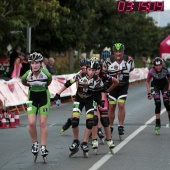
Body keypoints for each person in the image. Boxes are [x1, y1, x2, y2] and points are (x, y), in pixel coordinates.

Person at [54, 60, 104, 158]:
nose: (90, 72)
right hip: (79, 100)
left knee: (90, 122)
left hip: (90, 101)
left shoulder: (98, 79)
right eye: (89, 69)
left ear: (96, 71)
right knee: (74, 121)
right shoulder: (80, 75)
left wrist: (100, 101)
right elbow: (68, 83)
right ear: (86, 69)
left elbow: (102, 90)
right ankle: (76, 141)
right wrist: (58, 94)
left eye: (93, 70)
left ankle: (84, 142)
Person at [21, 52, 52, 163]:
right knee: (31, 123)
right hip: (32, 97)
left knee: (43, 123)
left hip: (44, 96)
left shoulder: (46, 74)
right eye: (32, 63)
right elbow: (23, 81)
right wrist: (31, 85)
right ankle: (35, 143)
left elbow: (49, 82)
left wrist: (41, 86)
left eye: (37, 63)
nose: (35, 65)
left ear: (40, 64)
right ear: (30, 64)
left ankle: (43, 146)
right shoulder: (27, 74)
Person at [91, 60, 119, 154]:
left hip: (102, 97)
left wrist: (107, 91)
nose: (96, 71)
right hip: (92, 99)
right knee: (94, 119)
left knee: (105, 120)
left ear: (101, 68)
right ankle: (94, 140)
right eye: (94, 69)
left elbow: (116, 82)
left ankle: (109, 139)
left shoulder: (104, 76)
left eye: (98, 68)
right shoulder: (88, 76)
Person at [107, 43, 134, 140]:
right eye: (116, 51)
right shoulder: (108, 61)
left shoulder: (129, 59)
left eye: (120, 51)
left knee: (121, 105)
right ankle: (110, 126)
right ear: (113, 52)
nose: (118, 53)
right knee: (111, 107)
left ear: (123, 51)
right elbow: (105, 73)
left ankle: (121, 125)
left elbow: (131, 69)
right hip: (113, 87)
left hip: (123, 86)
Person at [146, 57, 170, 135]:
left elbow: (169, 80)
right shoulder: (151, 71)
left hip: (164, 85)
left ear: (162, 65)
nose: (158, 67)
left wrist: (169, 90)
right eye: (156, 66)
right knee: (158, 103)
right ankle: (157, 124)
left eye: (159, 65)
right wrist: (149, 92)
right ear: (154, 66)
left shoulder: (166, 70)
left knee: (166, 103)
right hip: (155, 86)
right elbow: (147, 81)